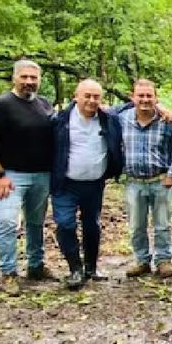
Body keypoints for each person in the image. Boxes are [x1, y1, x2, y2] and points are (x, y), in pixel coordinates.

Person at [0, 59, 55, 293]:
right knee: (8, 223)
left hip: (41, 175)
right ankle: (8, 272)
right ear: (14, 78)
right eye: (24, 77)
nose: (29, 82)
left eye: (33, 78)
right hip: (11, 176)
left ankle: (36, 265)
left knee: (36, 223)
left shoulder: (44, 104)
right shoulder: (2, 105)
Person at [49, 79, 124, 289]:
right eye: (87, 96)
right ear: (76, 96)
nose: (92, 101)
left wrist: (160, 107)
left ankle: (91, 267)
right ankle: (75, 268)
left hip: (94, 184)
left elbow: (133, 105)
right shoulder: (59, 120)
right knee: (65, 224)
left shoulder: (109, 119)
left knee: (92, 226)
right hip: (65, 183)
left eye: (96, 97)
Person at [119, 79, 172, 278]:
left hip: (159, 181)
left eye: (149, 96)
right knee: (136, 225)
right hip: (133, 182)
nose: (145, 100)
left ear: (156, 98)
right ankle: (141, 261)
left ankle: (163, 260)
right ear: (133, 97)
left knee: (162, 224)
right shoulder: (123, 119)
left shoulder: (167, 122)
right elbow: (103, 110)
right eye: (140, 95)